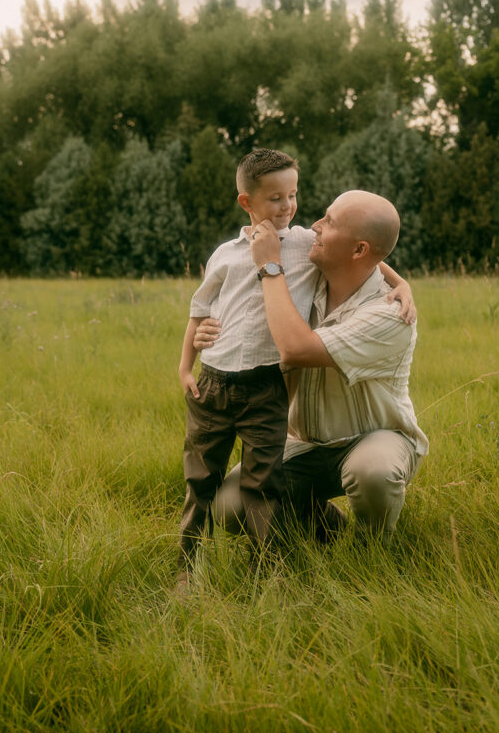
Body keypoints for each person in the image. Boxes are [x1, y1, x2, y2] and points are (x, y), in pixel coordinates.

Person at [178, 151, 415, 562]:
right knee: (230, 506)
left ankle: (372, 558)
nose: (315, 226)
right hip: (306, 443)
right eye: (321, 215)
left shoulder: (390, 316)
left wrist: (269, 266)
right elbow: (235, 306)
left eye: (329, 223)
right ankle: (327, 531)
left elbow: (295, 348)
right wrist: (210, 329)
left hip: (373, 440)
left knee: (371, 473)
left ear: (358, 250)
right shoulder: (314, 272)